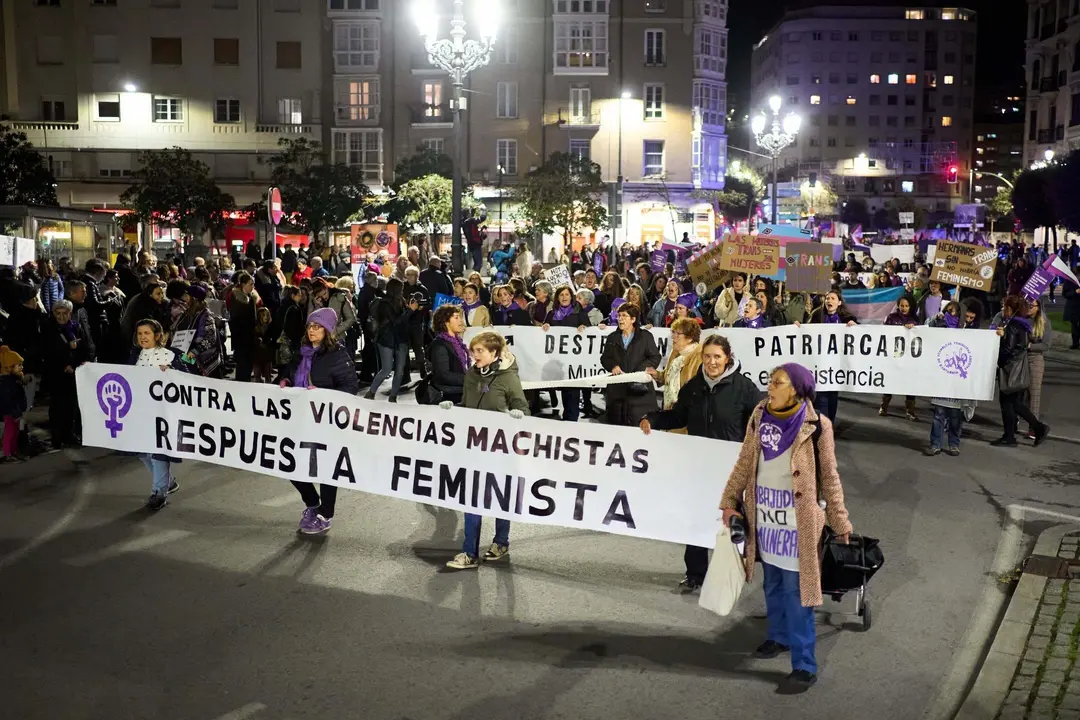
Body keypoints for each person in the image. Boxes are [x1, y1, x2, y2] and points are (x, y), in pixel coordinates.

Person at [719, 363, 854, 690]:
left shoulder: (817, 425)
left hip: (798, 523)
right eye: (770, 381)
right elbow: (744, 462)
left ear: (795, 389)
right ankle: (778, 636)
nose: (770, 387)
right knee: (773, 583)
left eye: (777, 383)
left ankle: (804, 665)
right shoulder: (759, 415)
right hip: (765, 517)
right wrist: (729, 501)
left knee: (797, 593)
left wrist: (839, 520)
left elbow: (829, 477)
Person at [642, 334, 760, 591]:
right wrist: (653, 419)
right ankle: (696, 574)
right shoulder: (694, 388)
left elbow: (758, 426)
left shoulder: (744, 389)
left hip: (731, 470)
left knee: (730, 522)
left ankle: (730, 575)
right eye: (707, 356)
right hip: (698, 467)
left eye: (717, 356)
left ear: (727, 358)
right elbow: (678, 417)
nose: (711, 362)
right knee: (696, 519)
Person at [444, 331, 529, 569]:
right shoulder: (471, 375)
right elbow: (466, 405)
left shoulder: (509, 378)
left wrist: (518, 415)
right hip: (475, 448)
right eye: (473, 351)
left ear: (494, 353)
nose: (475, 355)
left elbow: (523, 408)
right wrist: (452, 408)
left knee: (501, 497)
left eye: (480, 351)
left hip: (501, 450)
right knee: (473, 500)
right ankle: (469, 553)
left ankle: (501, 542)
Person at [279, 308, 359, 534]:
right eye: (310, 326)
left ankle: (325, 514)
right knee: (290, 464)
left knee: (325, 468)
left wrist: (323, 395)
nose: (311, 331)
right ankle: (313, 503)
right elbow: (288, 373)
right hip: (299, 419)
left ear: (328, 330)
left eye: (317, 327)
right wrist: (285, 381)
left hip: (326, 422)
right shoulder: (301, 353)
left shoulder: (337, 355)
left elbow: (350, 387)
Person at [127, 319, 187, 510]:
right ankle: (168, 481)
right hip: (140, 411)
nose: (143, 337)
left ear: (158, 335)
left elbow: (191, 369)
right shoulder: (134, 355)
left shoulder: (173, 354)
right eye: (140, 333)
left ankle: (159, 493)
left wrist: (172, 371)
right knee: (142, 451)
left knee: (158, 452)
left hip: (164, 413)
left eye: (147, 333)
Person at [992, 295, 1050, 448]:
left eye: (1005, 306)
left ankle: (1028, 431)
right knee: (1014, 403)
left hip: (1010, 368)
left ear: (1010, 308)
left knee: (1008, 403)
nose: (1003, 309)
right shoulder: (1022, 324)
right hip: (1018, 366)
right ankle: (1015, 434)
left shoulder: (1013, 325)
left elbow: (1008, 349)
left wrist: (998, 359)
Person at [924, 301, 976, 456]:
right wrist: (935, 319)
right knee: (938, 414)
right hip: (942, 377)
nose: (950, 314)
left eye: (953, 312)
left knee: (955, 415)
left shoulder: (967, 330)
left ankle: (954, 444)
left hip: (957, 380)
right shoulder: (939, 326)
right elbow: (925, 330)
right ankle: (935, 444)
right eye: (948, 311)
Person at [796, 290, 857, 422]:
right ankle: (824, 425)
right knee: (821, 394)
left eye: (832, 298)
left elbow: (857, 336)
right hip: (820, 362)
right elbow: (806, 330)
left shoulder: (847, 318)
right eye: (827, 298)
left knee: (832, 395)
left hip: (837, 363)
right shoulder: (817, 314)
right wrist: (798, 327)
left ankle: (829, 424)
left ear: (839, 302)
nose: (829, 300)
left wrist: (854, 327)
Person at [43, 299, 94, 448]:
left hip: (73, 373)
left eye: (64, 313)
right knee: (57, 406)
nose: (61, 317)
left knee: (71, 406)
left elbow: (85, 348)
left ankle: (69, 435)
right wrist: (66, 352)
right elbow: (47, 351)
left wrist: (74, 365)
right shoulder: (49, 329)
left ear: (70, 313)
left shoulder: (76, 327)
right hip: (56, 374)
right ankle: (57, 437)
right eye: (57, 313)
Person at [600, 303, 661, 426]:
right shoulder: (612, 337)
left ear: (633, 319)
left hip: (639, 392)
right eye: (619, 316)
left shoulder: (645, 337)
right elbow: (605, 358)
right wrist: (613, 366)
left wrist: (640, 370)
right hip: (617, 392)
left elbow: (655, 357)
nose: (620, 319)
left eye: (624, 316)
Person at [543, 285, 592, 422]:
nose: (564, 297)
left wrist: (584, 327)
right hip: (558, 359)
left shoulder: (579, 313)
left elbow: (590, 331)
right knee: (565, 390)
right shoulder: (551, 314)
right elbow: (545, 332)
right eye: (561, 295)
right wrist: (545, 327)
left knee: (573, 390)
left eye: (567, 294)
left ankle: (571, 420)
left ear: (571, 297)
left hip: (574, 360)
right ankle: (567, 417)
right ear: (557, 298)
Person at [365, 278, 418, 403]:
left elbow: (405, 320)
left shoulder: (402, 301)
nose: (403, 291)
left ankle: (393, 397)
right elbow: (396, 322)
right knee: (386, 369)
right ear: (396, 290)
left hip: (402, 339)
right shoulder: (384, 304)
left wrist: (413, 311)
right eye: (401, 289)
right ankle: (371, 392)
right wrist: (410, 311)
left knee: (400, 371)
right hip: (387, 339)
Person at [646, 317, 703, 426]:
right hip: (670, 411)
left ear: (690, 338)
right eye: (673, 332)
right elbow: (668, 377)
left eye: (678, 334)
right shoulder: (676, 352)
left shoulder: (699, 356)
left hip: (687, 417)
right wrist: (657, 375)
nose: (673, 337)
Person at [880, 294, 919, 421]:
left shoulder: (915, 319)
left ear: (911, 306)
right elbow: (883, 333)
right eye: (902, 305)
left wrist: (913, 327)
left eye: (906, 306)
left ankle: (910, 411)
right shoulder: (891, 317)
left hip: (909, 357)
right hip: (894, 355)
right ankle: (884, 406)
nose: (904, 308)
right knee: (890, 381)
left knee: (910, 383)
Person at [173, 283, 222, 377]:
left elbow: (210, 338)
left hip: (203, 358)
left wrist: (195, 351)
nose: (184, 299)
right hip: (188, 356)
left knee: (204, 383)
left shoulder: (206, 316)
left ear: (193, 298)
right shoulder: (187, 313)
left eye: (187, 296)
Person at [428, 304, 469, 405]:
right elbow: (443, 375)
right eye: (456, 317)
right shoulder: (439, 345)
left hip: (462, 390)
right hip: (450, 395)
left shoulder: (458, 342)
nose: (461, 321)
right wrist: (470, 379)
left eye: (460, 317)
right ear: (446, 322)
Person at [1025, 297, 1052, 439]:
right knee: (1019, 394)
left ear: (1038, 307)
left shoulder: (1044, 322)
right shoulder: (1021, 318)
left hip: (1035, 359)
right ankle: (1014, 423)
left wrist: (1030, 346)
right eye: (1027, 304)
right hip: (1020, 359)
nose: (1029, 307)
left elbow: (1046, 345)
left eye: (1032, 305)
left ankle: (1034, 429)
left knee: (1033, 395)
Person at [228, 272, 259, 382]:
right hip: (241, 338)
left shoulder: (250, 297)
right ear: (243, 284)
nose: (253, 287)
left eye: (253, 284)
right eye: (250, 284)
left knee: (248, 364)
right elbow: (235, 319)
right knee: (242, 365)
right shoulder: (237, 299)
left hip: (250, 337)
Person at [0, 346, 28, 462]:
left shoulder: (14, 379)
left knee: (15, 432)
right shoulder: (6, 382)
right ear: (9, 367)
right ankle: (7, 454)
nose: (22, 367)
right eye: (19, 365)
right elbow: (7, 399)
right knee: (10, 433)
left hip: (16, 411)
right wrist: (15, 412)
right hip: (11, 412)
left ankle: (14, 452)